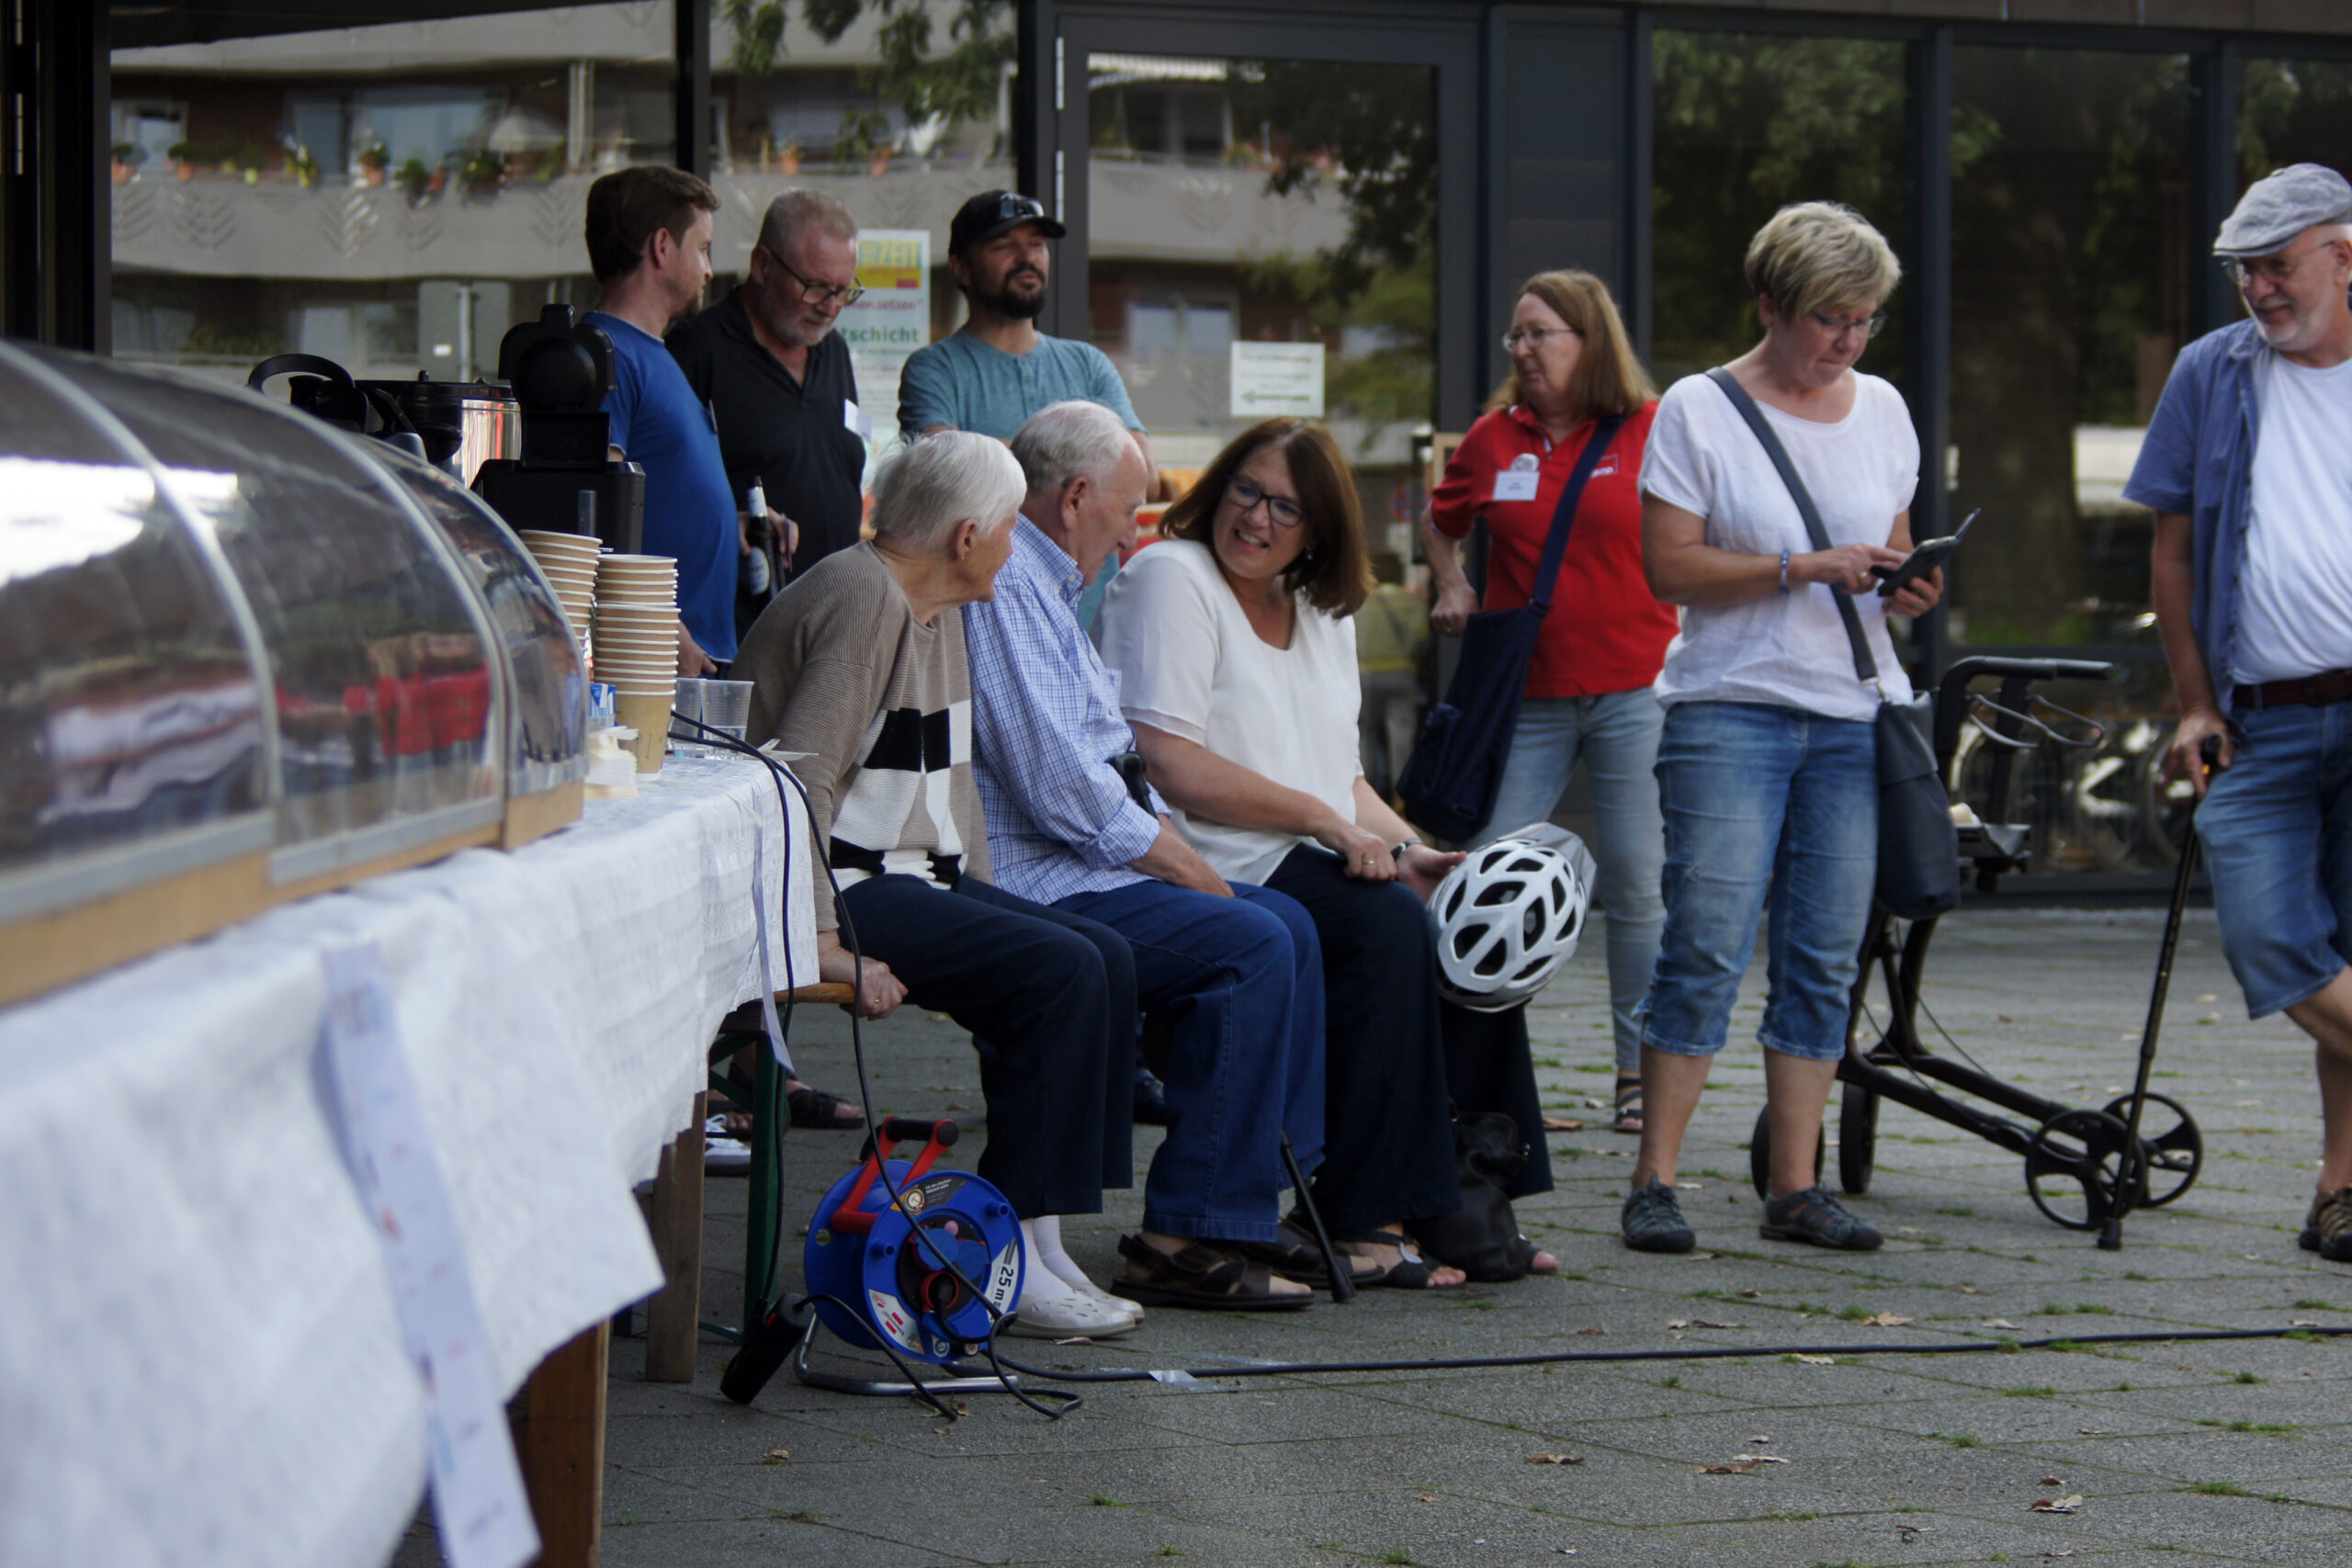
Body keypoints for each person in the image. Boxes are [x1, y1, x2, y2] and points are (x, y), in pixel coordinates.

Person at [1099, 414, 1581, 1283]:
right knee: (1384, 926)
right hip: (1205, 851)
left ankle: (1468, 1197)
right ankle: (1360, 1213)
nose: (1257, 518)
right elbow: (1165, 759)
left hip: (1307, 849)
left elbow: (1342, 777)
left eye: (1286, 507)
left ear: (1320, 528)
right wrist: (1332, 828)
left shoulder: (1325, 611)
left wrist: (1414, 851)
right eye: (1247, 490)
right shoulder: (1171, 575)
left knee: (1472, 926)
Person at [731, 431, 1141, 1337]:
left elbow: (952, 788)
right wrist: (823, 943)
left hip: (909, 874)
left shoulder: (935, 604)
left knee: (1102, 956)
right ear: (967, 536)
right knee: (1060, 972)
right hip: (841, 882)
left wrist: (993, 901)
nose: (1013, 548)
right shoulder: (862, 596)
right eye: (1008, 529)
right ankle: (1011, 1244)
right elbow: (799, 777)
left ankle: (1038, 1233)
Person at [1627, 201, 1943, 1256]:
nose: (1848, 340)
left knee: (1823, 954)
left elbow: (1889, 548)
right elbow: (1667, 568)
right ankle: (1654, 1179)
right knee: (1706, 941)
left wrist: (1907, 586)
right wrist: (1800, 567)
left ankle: (1795, 1188)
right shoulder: (1699, 407)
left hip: (1852, 715)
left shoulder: (1883, 408)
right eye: (1829, 319)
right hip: (1731, 709)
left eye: (1865, 319)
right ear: (1770, 304)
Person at [964, 401, 1329, 1311]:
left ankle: (1245, 1199)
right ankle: (1189, 1229)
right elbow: (1058, 781)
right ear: (1076, 497)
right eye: (1127, 510)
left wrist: (1180, 857)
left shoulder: (1050, 586)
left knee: (1287, 922)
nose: (1132, 531)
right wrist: (1182, 865)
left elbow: (1111, 761)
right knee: (1254, 940)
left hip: (1086, 867)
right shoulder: (1009, 583)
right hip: (1039, 881)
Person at [2124, 163, 2352, 1262]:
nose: (2256, 289)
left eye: (2274, 265)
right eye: (2241, 271)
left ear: (2343, 258)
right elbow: (2170, 552)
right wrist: (2193, 702)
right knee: (2269, 932)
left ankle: (2339, 1191)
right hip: (2256, 718)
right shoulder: (2210, 373)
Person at [1426, 269, 1676, 1137]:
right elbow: (1442, 521)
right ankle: (1475, 1077)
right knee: (1483, 874)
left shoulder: (1653, 426)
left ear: (1590, 340)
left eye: (1541, 334)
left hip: (1636, 686)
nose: (1524, 350)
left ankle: (1637, 1073)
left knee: (1638, 883)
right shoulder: (1494, 436)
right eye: (1517, 335)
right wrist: (1453, 581)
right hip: (1526, 696)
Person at [668, 188, 866, 592]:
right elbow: (663, 496)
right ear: (761, 265)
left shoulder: (834, 349)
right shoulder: (697, 351)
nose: (831, 307)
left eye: (844, 290)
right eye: (815, 287)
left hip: (838, 608)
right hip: (744, 613)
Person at [582, 165, 737, 675]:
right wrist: (666, 629)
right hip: (653, 657)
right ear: (663, 246)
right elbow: (595, 522)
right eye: (704, 249)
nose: (709, 271)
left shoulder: (648, 353)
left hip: (686, 652)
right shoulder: (606, 355)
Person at [1354, 552, 1427, 799]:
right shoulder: (1413, 602)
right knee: (1401, 737)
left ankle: (1367, 794)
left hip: (1364, 675)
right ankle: (1401, 797)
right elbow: (1421, 638)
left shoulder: (1360, 602)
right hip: (1401, 674)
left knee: (1364, 734)